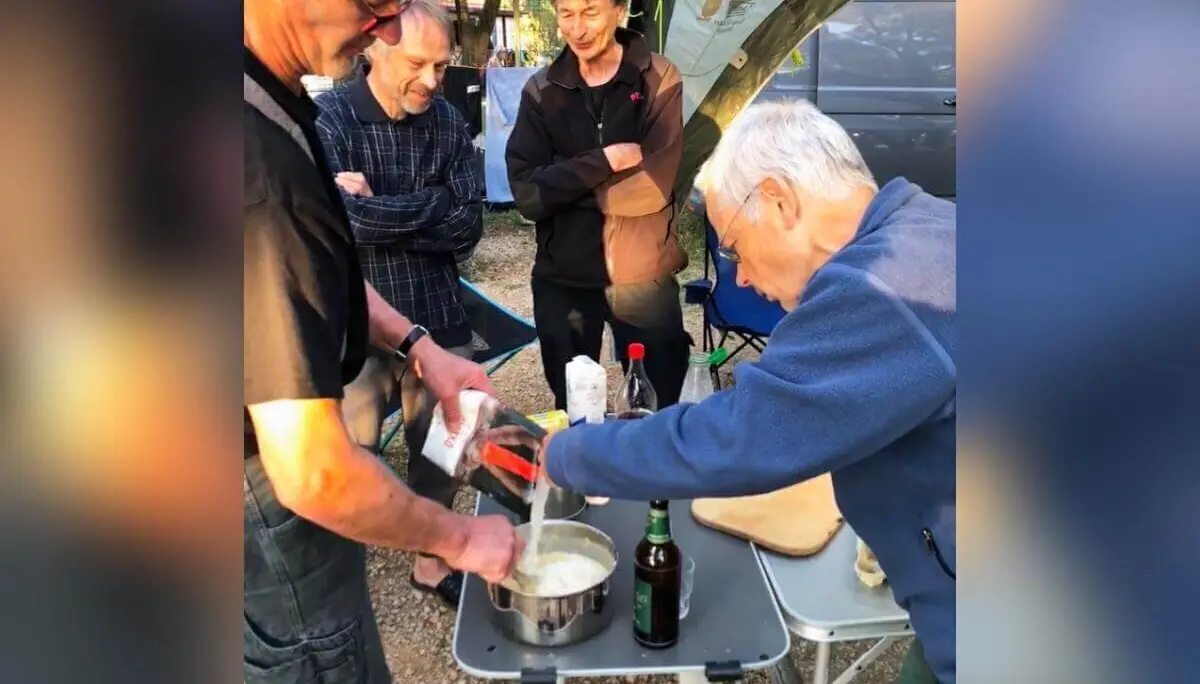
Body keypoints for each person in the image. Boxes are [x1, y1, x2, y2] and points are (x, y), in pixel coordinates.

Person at [539, 101, 957, 683]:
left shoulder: (886, 284)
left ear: (779, 201)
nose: (737, 276)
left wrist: (567, 453)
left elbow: (741, 434)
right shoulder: (930, 224)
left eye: (733, 247)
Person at [244, 2, 522, 682]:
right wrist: (462, 537)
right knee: (324, 651)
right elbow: (315, 472)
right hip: (262, 488)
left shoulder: (272, 101)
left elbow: (446, 227)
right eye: (374, 6)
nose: (388, 26)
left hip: (424, 310)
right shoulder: (267, 166)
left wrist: (419, 344)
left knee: (438, 448)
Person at [314, 0, 483, 607]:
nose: (432, 81)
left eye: (441, 66)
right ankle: (335, 576)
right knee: (345, 452)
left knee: (443, 447)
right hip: (354, 323)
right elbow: (340, 224)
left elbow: (469, 226)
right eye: (418, 64)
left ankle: (431, 562)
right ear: (375, 48)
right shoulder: (329, 118)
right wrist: (432, 201)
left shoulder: (447, 121)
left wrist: (375, 206)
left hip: (436, 312)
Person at [505, 0, 692, 411]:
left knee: (655, 407)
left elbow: (653, 186)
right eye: (566, 13)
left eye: (590, 11)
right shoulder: (541, 90)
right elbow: (527, 195)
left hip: (641, 276)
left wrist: (561, 182)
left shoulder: (658, 77)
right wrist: (606, 161)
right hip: (563, 278)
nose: (577, 28)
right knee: (575, 409)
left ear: (619, 10)